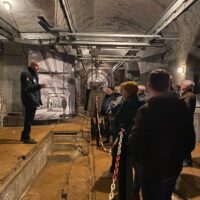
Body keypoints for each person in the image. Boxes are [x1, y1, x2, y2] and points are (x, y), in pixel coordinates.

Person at [128, 69, 195, 200]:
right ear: (169, 85)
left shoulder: (146, 110)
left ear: (148, 87)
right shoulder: (183, 108)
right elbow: (190, 142)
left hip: (151, 171)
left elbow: (134, 145)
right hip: (173, 169)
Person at [113, 81, 142, 200]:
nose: (121, 92)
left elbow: (127, 122)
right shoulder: (138, 103)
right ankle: (135, 191)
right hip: (136, 142)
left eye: (123, 90)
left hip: (127, 142)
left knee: (126, 170)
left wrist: (121, 129)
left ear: (127, 92)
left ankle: (127, 195)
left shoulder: (130, 105)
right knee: (138, 168)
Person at [20, 61, 46, 144]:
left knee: (29, 119)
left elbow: (33, 87)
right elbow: (27, 88)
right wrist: (39, 86)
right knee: (28, 119)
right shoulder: (26, 74)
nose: (37, 68)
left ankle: (24, 136)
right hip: (29, 100)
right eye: (36, 66)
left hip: (33, 99)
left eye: (38, 66)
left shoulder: (33, 74)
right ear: (32, 65)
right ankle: (26, 138)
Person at [181, 79, 196, 166]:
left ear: (186, 86)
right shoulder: (187, 95)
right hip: (186, 123)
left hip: (185, 124)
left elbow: (186, 110)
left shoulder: (189, 96)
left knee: (186, 142)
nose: (181, 85)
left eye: (182, 84)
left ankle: (187, 160)